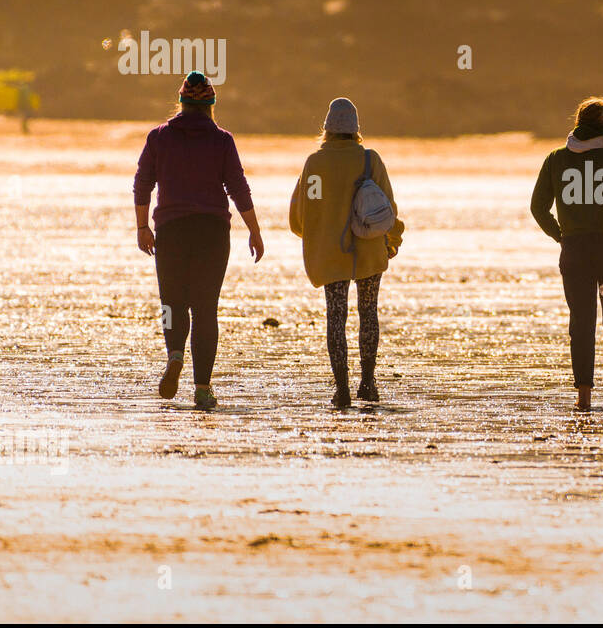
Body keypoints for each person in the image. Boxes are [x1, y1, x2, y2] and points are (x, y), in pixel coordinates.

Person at [133, 71, 264, 410]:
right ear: (210, 107)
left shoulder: (158, 137)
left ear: (181, 102)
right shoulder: (222, 140)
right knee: (205, 309)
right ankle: (203, 388)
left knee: (171, 303)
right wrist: (254, 230)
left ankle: (175, 352)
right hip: (212, 231)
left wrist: (142, 227)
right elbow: (238, 188)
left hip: (172, 230)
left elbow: (142, 183)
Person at [290, 98, 403, 409]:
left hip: (329, 254)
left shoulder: (314, 164)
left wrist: (317, 235)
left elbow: (302, 214)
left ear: (326, 129)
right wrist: (393, 241)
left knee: (335, 318)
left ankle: (341, 389)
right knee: (368, 314)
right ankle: (368, 383)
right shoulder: (370, 160)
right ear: (356, 129)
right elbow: (388, 208)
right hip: (368, 251)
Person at [531, 96, 603, 411]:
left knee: (582, 321)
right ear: (602, 123)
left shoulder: (555, 159)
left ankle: (583, 394)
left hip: (574, 252)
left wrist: (561, 236)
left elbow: (538, 208)